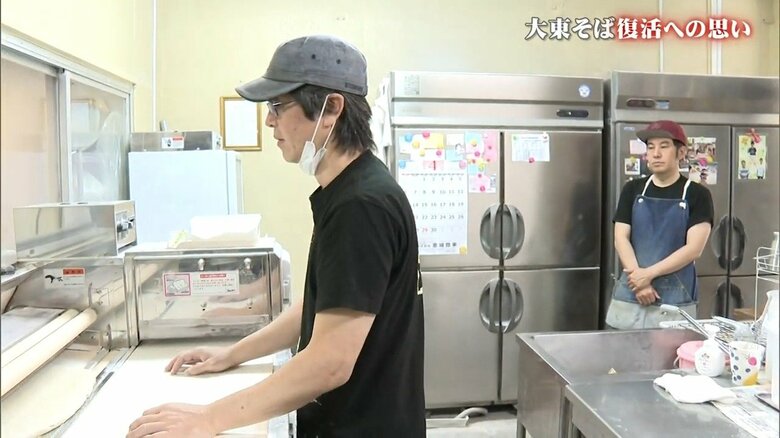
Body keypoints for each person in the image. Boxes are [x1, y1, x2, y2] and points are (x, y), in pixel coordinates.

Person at [127, 35, 425, 438]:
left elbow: (330, 363)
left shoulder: (361, 206)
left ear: (331, 109)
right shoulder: (353, 189)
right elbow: (324, 303)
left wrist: (208, 418)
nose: (269, 121)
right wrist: (231, 354)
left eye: (277, 107)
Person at [605, 120, 714, 329]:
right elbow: (620, 237)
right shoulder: (632, 189)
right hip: (631, 293)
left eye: (664, 146)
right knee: (620, 350)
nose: (655, 154)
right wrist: (639, 281)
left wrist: (648, 275)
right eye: (650, 147)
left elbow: (694, 249)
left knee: (671, 351)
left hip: (674, 300)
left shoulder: (697, 194)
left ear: (681, 152)